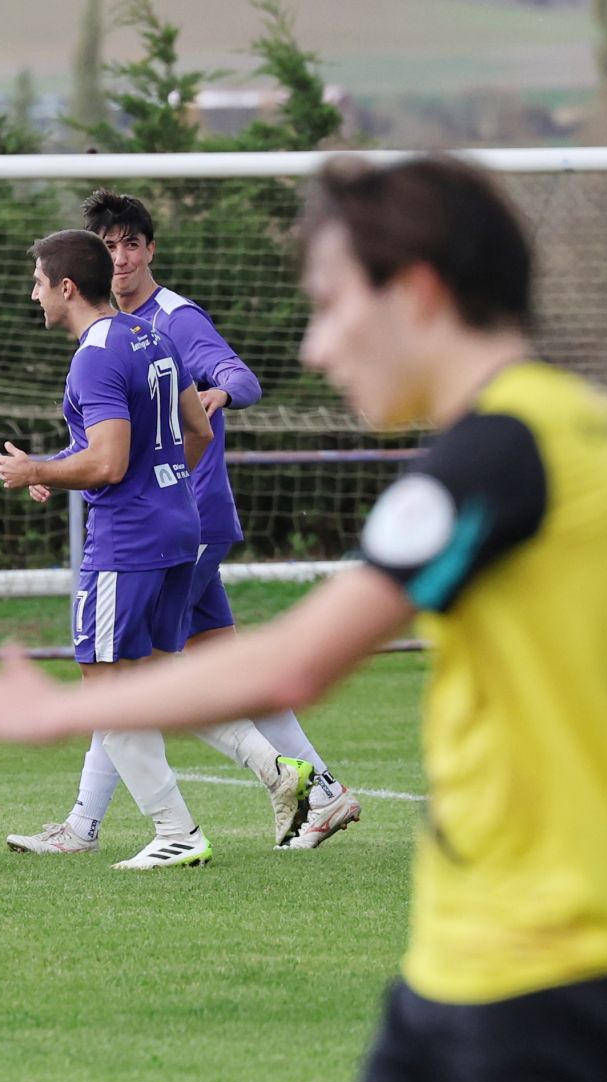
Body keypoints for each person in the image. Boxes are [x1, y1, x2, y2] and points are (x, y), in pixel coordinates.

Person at [0, 157, 607, 1082]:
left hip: (556, 983)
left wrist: (52, 711)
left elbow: (298, 660)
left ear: (420, 294)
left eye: (331, 305)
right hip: (452, 973)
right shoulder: (586, 435)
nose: (315, 345)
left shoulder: (493, 459)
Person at [48, 186, 359, 850]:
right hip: (176, 521)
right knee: (203, 668)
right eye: (110, 246)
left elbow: (240, 378)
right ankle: (325, 792)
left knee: (128, 674)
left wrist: (216, 389)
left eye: (133, 243)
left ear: (150, 250)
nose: (123, 257)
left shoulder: (174, 319)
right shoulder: (110, 332)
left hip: (179, 521)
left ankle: (90, 825)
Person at [0, 228, 311, 870]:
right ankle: (274, 769)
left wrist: (38, 473)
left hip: (128, 542)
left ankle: (177, 832)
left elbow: (109, 464)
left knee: (106, 693)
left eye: (36, 283)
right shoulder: (152, 337)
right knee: (157, 683)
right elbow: (196, 430)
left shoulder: (95, 356)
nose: (33, 297)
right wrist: (156, 484)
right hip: (177, 527)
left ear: (65, 287)